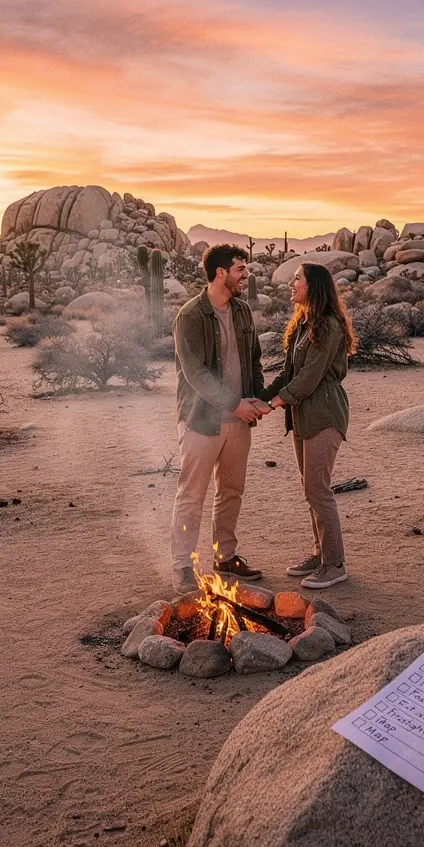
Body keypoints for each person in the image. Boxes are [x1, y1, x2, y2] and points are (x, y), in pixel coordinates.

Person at [169, 243, 268, 594]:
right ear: (221, 273)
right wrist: (233, 404)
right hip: (201, 419)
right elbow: (195, 373)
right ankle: (183, 566)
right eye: (241, 269)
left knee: (231, 490)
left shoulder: (242, 311)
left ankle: (225, 556)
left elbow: (253, 359)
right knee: (192, 493)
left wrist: (257, 398)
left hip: (238, 420)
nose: (246, 275)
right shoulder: (191, 316)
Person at [262, 263, 356, 590]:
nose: (291, 282)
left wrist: (273, 403)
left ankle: (335, 564)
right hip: (303, 414)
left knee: (318, 490)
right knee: (311, 489)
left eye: (297, 278)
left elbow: (310, 377)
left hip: (324, 413)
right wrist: (262, 396)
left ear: (313, 286)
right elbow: (289, 374)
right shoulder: (303, 323)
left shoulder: (328, 325)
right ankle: (320, 555)